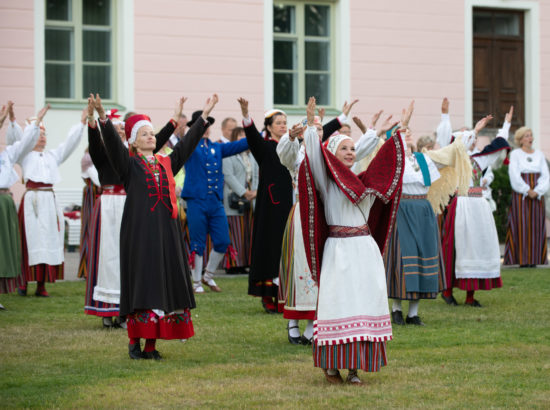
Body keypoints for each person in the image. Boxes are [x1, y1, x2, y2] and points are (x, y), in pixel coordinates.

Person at [91, 93, 218, 360]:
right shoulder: (128, 165)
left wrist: (203, 117)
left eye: (152, 133)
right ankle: (135, 342)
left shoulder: (166, 163)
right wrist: (103, 117)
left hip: (166, 234)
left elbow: (186, 146)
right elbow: (114, 145)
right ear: (134, 142)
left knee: (162, 283)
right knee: (142, 283)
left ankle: (151, 346)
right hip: (139, 234)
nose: (151, 137)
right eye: (145, 134)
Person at [299, 96, 404, 385]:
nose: (349, 152)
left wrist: (399, 137)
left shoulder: (364, 182)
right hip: (339, 251)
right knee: (338, 303)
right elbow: (315, 157)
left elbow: (388, 163)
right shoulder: (328, 182)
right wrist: (311, 127)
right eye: (343, 148)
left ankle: (356, 369)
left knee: (364, 303)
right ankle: (332, 366)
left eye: (352, 149)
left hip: (364, 251)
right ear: (333, 153)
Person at [276, 107, 393, 345]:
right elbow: (293, 156)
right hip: (304, 214)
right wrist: (295, 136)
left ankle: (315, 324)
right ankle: (295, 322)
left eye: (320, 129)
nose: (317, 132)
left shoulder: (339, 167)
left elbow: (354, 152)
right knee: (304, 267)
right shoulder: (302, 156)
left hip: (337, 227)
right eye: (313, 129)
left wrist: (372, 133)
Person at [85, 102, 181, 328]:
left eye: (121, 129)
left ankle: (130, 308)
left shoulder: (135, 159)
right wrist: (94, 121)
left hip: (132, 205)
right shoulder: (105, 154)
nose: (118, 133)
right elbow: (96, 141)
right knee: (110, 256)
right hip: (110, 205)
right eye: (114, 130)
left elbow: (156, 138)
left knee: (131, 256)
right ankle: (109, 308)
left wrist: (173, 120)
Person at [386, 101, 472, 325]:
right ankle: (396, 309)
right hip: (402, 210)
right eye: (403, 133)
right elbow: (388, 150)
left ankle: (413, 313)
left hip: (423, 211)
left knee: (424, 256)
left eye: (409, 132)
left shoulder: (423, 160)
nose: (408, 135)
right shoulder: (394, 160)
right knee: (403, 259)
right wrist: (402, 125)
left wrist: (474, 132)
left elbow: (451, 151)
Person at [440, 106, 512, 307]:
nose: (472, 140)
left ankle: (470, 296)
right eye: (468, 137)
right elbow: (452, 143)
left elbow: (499, 144)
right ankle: (447, 291)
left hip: (478, 207)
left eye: (472, 137)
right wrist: (474, 128)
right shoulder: (454, 159)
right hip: (461, 205)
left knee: (476, 248)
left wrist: (506, 124)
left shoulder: (480, 159)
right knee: (457, 248)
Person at [17, 108, 86, 297]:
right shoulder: (24, 155)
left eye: (44, 134)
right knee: (29, 239)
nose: (42, 138)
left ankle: (41, 284)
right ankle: (23, 282)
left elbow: (69, 145)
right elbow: (18, 141)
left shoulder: (52, 156)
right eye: (38, 134)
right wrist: (34, 123)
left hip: (49, 200)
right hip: (33, 199)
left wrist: (81, 123)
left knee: (48, 239)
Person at [182, 110, 249, 294]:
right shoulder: (188, 146)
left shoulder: (217, 147)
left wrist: (258, 133)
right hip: (196, 201)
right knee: (198, 242)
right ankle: (196, 281)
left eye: (206, 125)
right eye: (200, 125)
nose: (205, 128)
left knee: (222, 240)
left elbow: (240, 145)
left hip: (215, 202)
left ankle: (208, 276)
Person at [238, 98, 293, 312]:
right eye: (278, 122)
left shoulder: (290, 146)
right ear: (269, 127)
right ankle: (269, 294)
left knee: (285, 247)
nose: (283, 125)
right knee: (270, 247)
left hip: (289, 202)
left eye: (284, 122)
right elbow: (252, 138)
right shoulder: (265, 146)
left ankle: (284, 293)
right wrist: (245, 114)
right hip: (270, 205)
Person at [0, 103, 47, 301]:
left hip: (14, 201)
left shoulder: (8, 156)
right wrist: (6, 121)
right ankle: (20, 284)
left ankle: (37, 284)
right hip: (16, 202)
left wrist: (34, 124)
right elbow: (20, 143)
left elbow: (22, 144)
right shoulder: (13, 156)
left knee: (7, 247)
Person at [504, 126, 549, 266]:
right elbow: (514, 175)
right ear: (520, 139)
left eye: (531, 135)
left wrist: (538, 190)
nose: (530, 138)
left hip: (537, 194)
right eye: (527, 136)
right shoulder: (516, 154)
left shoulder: (539, 154)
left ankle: (535, 259)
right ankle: (522, 260)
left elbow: (545, 175)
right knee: (521, 225)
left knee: (536, 225)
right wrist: (526, 190)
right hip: (521, 195)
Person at [222, 127, 258, 274]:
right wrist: (244, 192)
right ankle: (232, 264)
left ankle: (245, 262)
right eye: (240, 135)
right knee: (235, 231)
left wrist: (255, 191)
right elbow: (228, 176)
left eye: (245, 135)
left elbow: (256, 175)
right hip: (235, 196)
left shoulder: (251, 155)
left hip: (251, 196)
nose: (243, 138)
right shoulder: (228, 154)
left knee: (247, 230)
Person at [77, 149, 101, 279]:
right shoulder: (88, 157)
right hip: (93, 195)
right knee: (90, 229)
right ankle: (87, 267)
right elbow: (97, 179)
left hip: (101, 193)